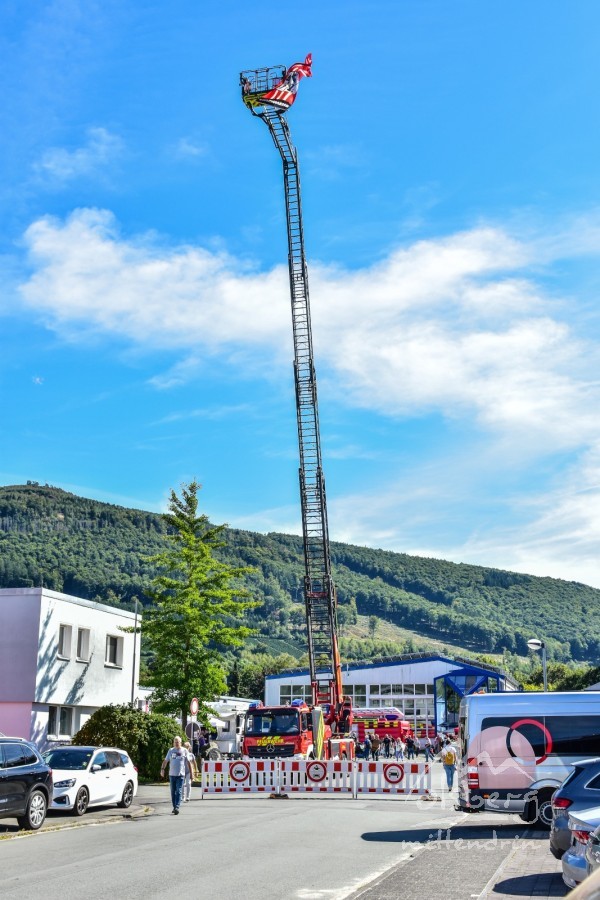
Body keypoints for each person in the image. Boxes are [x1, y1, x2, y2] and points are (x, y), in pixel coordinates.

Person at [160, 736, 192, 815]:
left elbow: (189, 762)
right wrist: (162, 769)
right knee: (172, 791)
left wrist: (192, 774)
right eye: (175, 742)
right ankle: (174, 807)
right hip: (172, 774)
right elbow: (166, 761)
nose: (176, 743)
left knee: (179, 791)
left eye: (178, 742)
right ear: (173, 743)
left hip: (180, 775)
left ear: (180, 743)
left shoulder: (184, 751)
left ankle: (177, 807)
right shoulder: (171, 750)